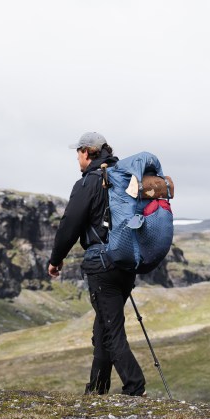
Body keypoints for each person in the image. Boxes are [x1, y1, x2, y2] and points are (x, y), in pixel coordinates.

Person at [48, 132, 146, 396]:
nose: (77, 159)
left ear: (86, 152)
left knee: (111, 330)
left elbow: (70, 224)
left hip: (101, 264)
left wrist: (55, 260)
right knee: (103, 327)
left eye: (77, 153)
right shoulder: (123, 179)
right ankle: (96, 390)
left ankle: (135, 387)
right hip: (126, 263)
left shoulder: (89, 182)